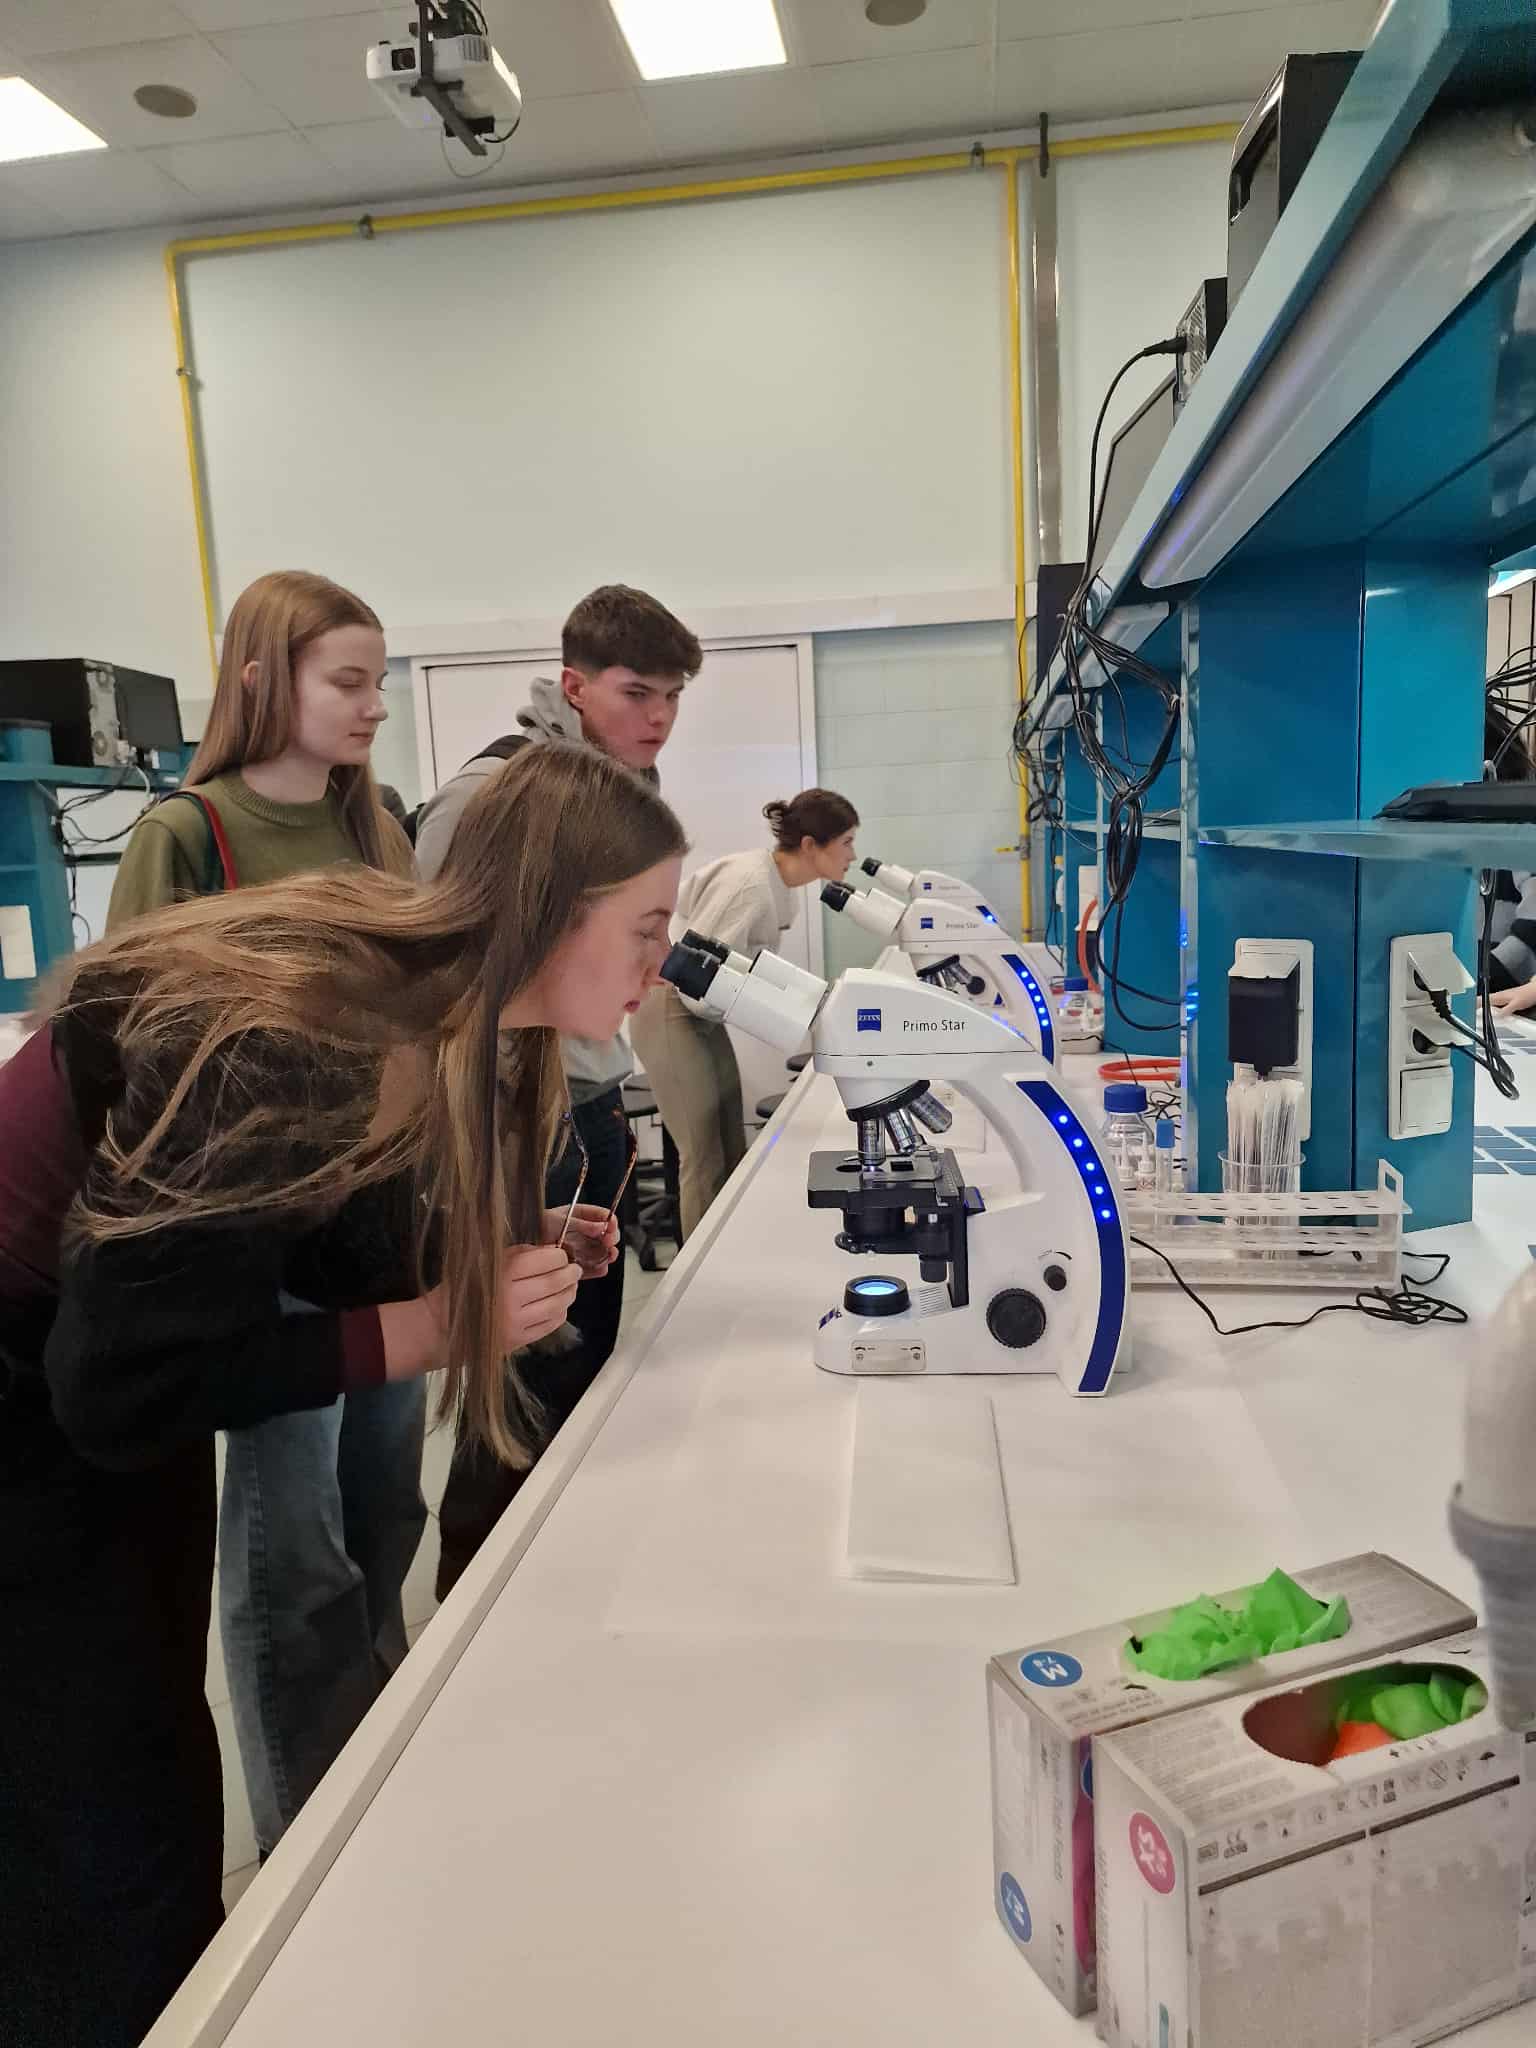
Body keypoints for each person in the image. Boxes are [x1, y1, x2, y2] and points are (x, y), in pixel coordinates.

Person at [0, 744, 686, 2048]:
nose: (660, 966)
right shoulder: (300, 1035)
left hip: (76, 1366)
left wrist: (478, 1250)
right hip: (36, 1391)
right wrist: (428, 1327)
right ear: (553, 913)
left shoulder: (422, 1005)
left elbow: (305, 1228)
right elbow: (122, 1385)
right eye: (646, 929)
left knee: (155, 1775)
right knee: (97, 1828)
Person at [107, 569, 426, 1866]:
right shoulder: (188, 836)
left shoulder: (375, 827)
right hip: (261, 1235)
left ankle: (384, 1765)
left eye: (379, 681)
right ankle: (307, 1840)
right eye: (348, 680)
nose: (373, 705)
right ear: (259, 679)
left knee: (385, 1511)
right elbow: (124, 1040)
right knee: (293, 1553)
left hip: (382, 1222)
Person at [414, 583, 702, 1596]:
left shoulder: (623, 798)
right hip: (510, 1116)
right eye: (637, 692)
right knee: (518, 1384)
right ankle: (478, 1591)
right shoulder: (491, 800)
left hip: (579, 1100)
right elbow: (454, 982)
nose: (659, 716)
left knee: (580, 1361)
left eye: (673, 696)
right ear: (574, 686)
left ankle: (554, 1574)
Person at [630, 787, 859, 1239]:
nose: (853, 854)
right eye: (847, 842)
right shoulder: (750, 885)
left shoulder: (783, 889)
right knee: (703, 1154)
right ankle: (698, 1272)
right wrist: (771, 1014)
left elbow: (740, 970)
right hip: (672, 1005)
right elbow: (694, 971)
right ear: (810, 845)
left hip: (699, 1011)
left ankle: (730, 1244)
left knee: (731, 1140)